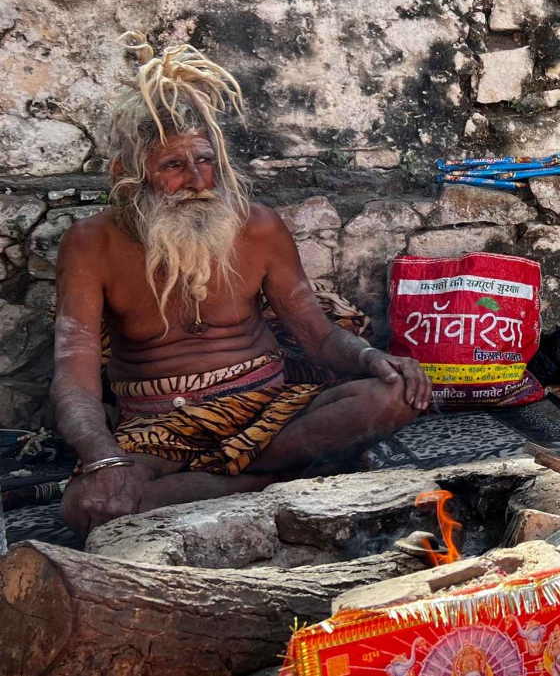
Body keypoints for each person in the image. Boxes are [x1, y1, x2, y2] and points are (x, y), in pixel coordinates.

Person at [53, 35, 430, 534]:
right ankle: (277, 484)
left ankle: (215, 487)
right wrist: (104, 460)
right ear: (130, 173)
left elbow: (317, 337)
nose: (199, 180)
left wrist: (370, 358)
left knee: (395, 395)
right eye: (173, 166)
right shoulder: (90, 243)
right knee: (86, 508)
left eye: (205, 161)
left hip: (269, 411)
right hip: (158, 427)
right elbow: (74, 378)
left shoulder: (257, 226)